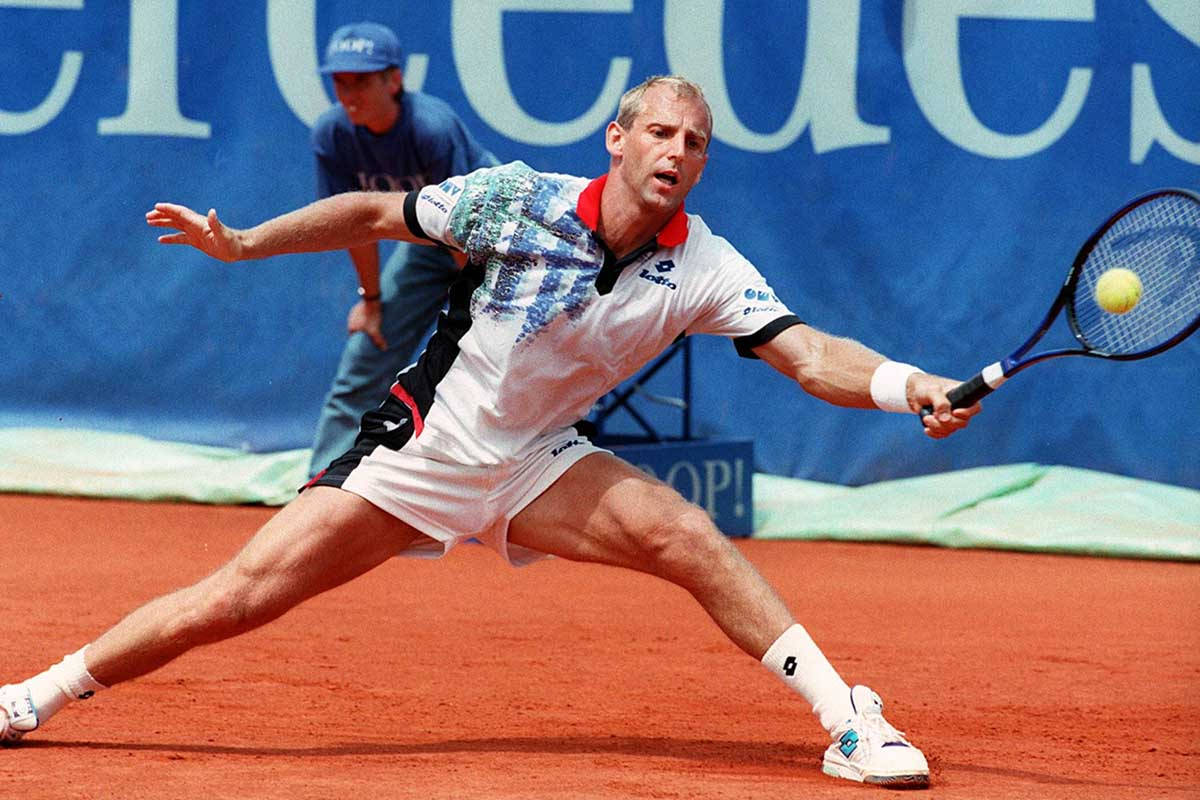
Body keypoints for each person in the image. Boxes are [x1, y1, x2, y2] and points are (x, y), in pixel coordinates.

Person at [1, 76, 978, 787]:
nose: (679, 151)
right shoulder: (517, 200)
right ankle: (34, 694)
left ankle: (847, 717)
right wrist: (245, 240)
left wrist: (911, 385)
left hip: (538, 463)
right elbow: (377, 210)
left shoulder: (707, 263)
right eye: (663, 132)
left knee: (686, 533)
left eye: (697, 141)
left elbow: (809, 353)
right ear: (618, 138)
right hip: (420, 450)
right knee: (237, 597)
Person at [307, 21, 498, 477]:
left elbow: (463, 229)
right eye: (340, 82)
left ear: (394, 80)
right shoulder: (332, 135)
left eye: (361, 81)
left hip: (489, 243)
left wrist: (483, 310)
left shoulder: (431, 127)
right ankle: (322, 488)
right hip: (428, 245)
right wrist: (371, 302)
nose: (348, 93)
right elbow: (353, 226)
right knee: (368, 351)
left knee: (498, 358)